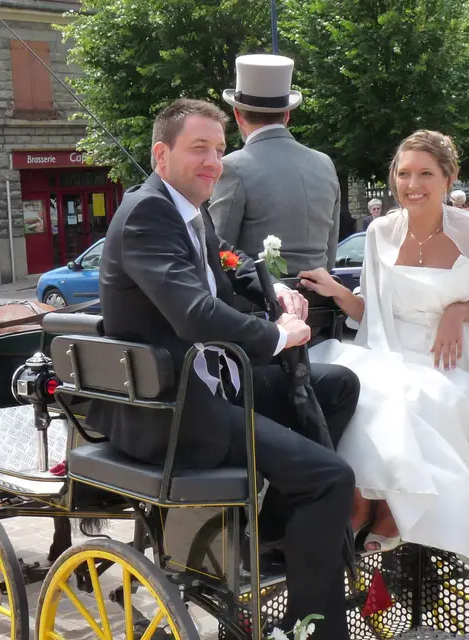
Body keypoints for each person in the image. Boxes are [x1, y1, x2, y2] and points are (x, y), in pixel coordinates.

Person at [87, 98, 359, 639]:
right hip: (171, 403)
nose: (214, 161)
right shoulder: (146, 212)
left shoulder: (189, 212)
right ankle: (310, 629)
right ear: (161, 154)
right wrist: (274, 336)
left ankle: (276, 531)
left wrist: (273, 288)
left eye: (218, 148)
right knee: (331, 478)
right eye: (199, 149)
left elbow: (226, 270)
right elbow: (193, 310)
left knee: (337, 385)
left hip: (209, 382)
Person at [298, 130, 469, 565]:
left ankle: (394, 507)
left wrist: (460, 311)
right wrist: (336, 291)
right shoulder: (379, 231)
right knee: (346, 388)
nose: (413, 185)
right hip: (388, 353)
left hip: (452, 366)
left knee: (407, 397)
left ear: (449, 177)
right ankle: (360, 501)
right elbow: (371, 310)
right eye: (404, 173)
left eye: (426, 174)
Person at [210, 54, 341, 274]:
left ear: (237, 114)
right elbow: (330, 250)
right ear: (287, 114)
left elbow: (219, 250)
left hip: (259, 303)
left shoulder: (232, 167)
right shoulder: (325, 163)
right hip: (321, 300)